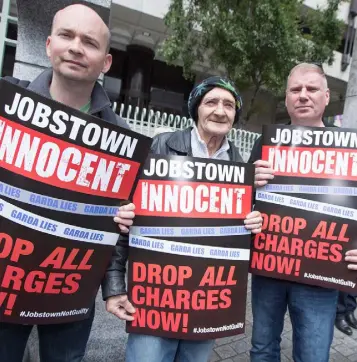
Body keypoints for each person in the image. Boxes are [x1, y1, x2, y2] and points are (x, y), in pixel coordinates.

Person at [0, 4, 129, 362]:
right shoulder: (6, 104)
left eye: (89, 42)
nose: (75, 47)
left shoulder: (121, 137)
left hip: (72, 286)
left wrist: (113, 286)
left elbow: (118, 226)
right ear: (48, 44)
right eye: (66, 35)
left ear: (105, 62)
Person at [102, 76, 263, 362]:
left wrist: (253, 226)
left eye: (228, 104)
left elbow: (238, 242)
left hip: (206, 300)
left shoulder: (240, 166)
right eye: (211, 102)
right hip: (155, 299)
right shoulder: (160, 147)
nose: (220, 111)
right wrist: (115, 285)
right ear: (196, 108)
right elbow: (126, 220)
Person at [248, 62, 357, 362]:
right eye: (295, 90)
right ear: (286, 99)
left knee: (312, 354)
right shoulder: (266, 143)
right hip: (270, 266)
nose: (303, 95)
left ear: (325, 96)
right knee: (262, 348)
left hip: (320, 276)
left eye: (311, 89)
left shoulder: (347, 149)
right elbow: (242, 202)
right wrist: (250, 183)